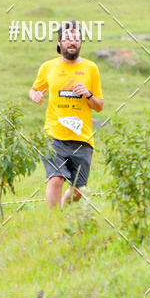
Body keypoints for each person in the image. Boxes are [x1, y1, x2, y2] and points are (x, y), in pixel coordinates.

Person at [29, 21, 103, 208]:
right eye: (68, 39)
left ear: (80, 43)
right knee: (56, 179)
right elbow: (35, 89)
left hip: (82, 138)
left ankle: (61, 207)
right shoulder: (48, 67)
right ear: (59, 42)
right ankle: (53, 222)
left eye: (77, 39)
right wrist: (35, 95)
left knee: (79, 190)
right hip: (55, 135)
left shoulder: (91, 68)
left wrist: (88, 94)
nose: (72, 43)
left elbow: (99, 106)